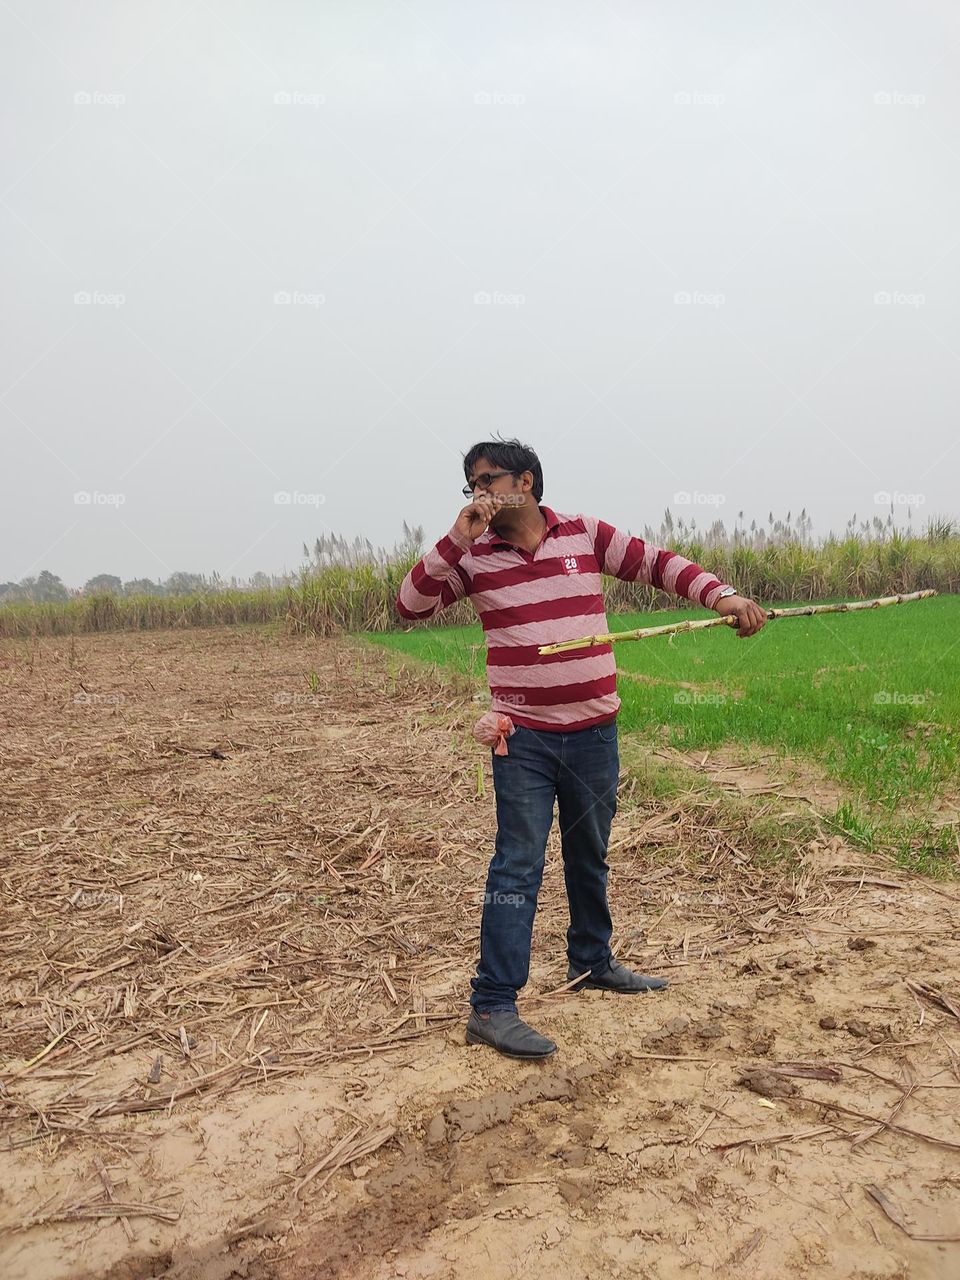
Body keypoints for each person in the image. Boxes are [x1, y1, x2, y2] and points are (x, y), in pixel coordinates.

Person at [396, 439, 767, 1059]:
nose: (480, 494)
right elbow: (409, 607)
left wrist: (722, 596)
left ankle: (592, 961)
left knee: (589, 851)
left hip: (595, 731)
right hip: (526, 740)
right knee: (517, 863)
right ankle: (491, 1004)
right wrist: (456, 537)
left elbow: (660, 565)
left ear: (529, 481)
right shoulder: (475, 556)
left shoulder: (584, 535)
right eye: (471, 485)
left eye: (489, 481)